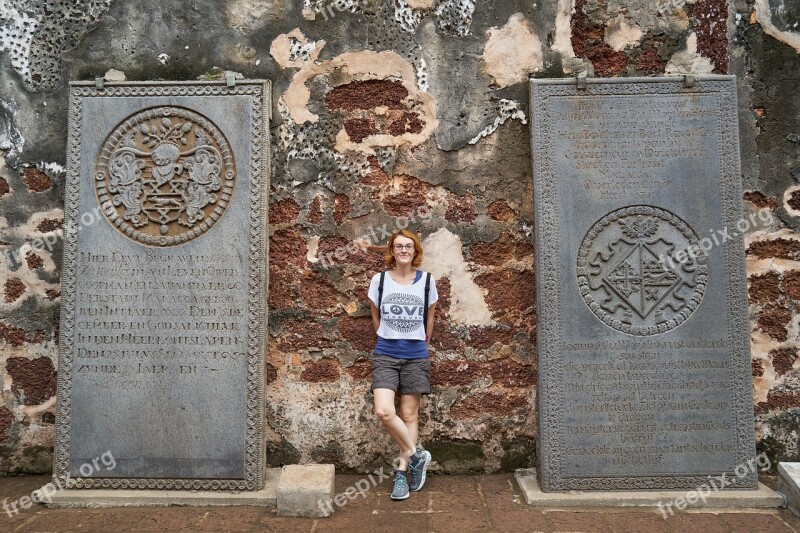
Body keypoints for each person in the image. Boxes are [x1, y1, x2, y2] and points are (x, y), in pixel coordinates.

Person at [368, 229, 438, 501]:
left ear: (415, 250)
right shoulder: (380, 280)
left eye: (409, 246)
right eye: (399, 246)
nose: (404, 250)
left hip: (416, 356)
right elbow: (375, 316)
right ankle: (417, 455)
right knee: (385, 411)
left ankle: (401, 475)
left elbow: (429, 318)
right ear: (392, 251)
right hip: (385, 353)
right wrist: (388, 336)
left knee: (408, 416)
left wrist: (422, 344)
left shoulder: (427, 281)